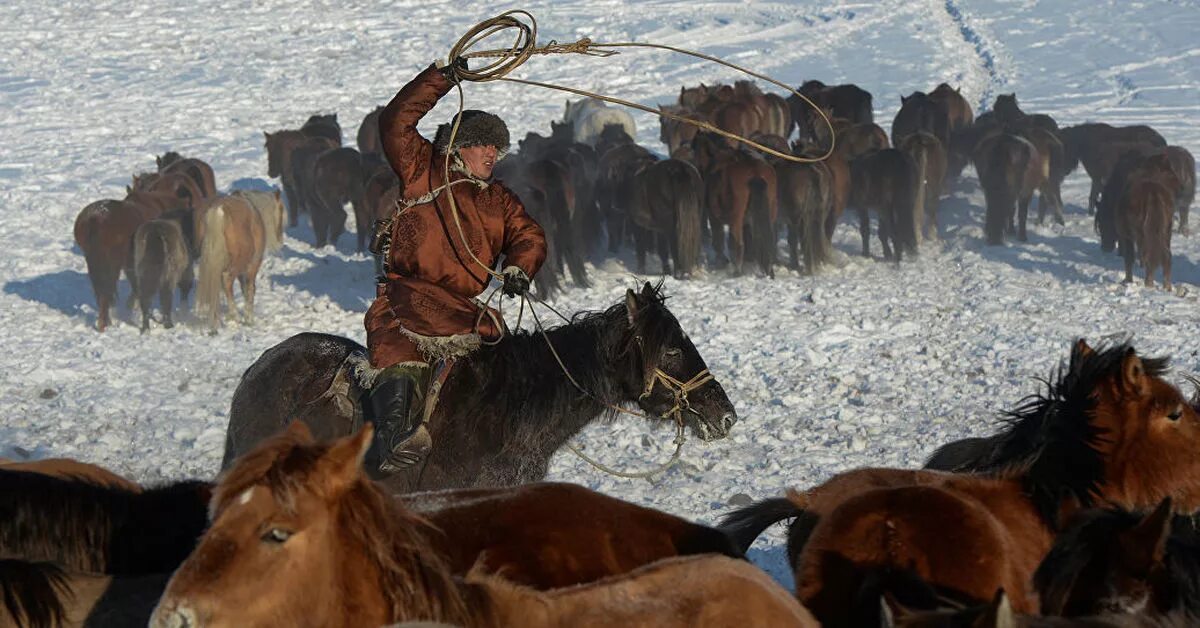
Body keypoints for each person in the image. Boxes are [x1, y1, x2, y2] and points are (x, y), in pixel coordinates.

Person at [363, 58, 547, 474]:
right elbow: (395, 122)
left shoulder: (499, 198)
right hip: (409, 293)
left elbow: (529, 235)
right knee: (399, 344)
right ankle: (394, 438)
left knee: (497, 347)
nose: (492, 155)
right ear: (460, 144)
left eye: (497, 149)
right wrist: (441, 79)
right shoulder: (421, 167)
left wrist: (521, 265)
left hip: (464, 305)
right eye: (484, 145)